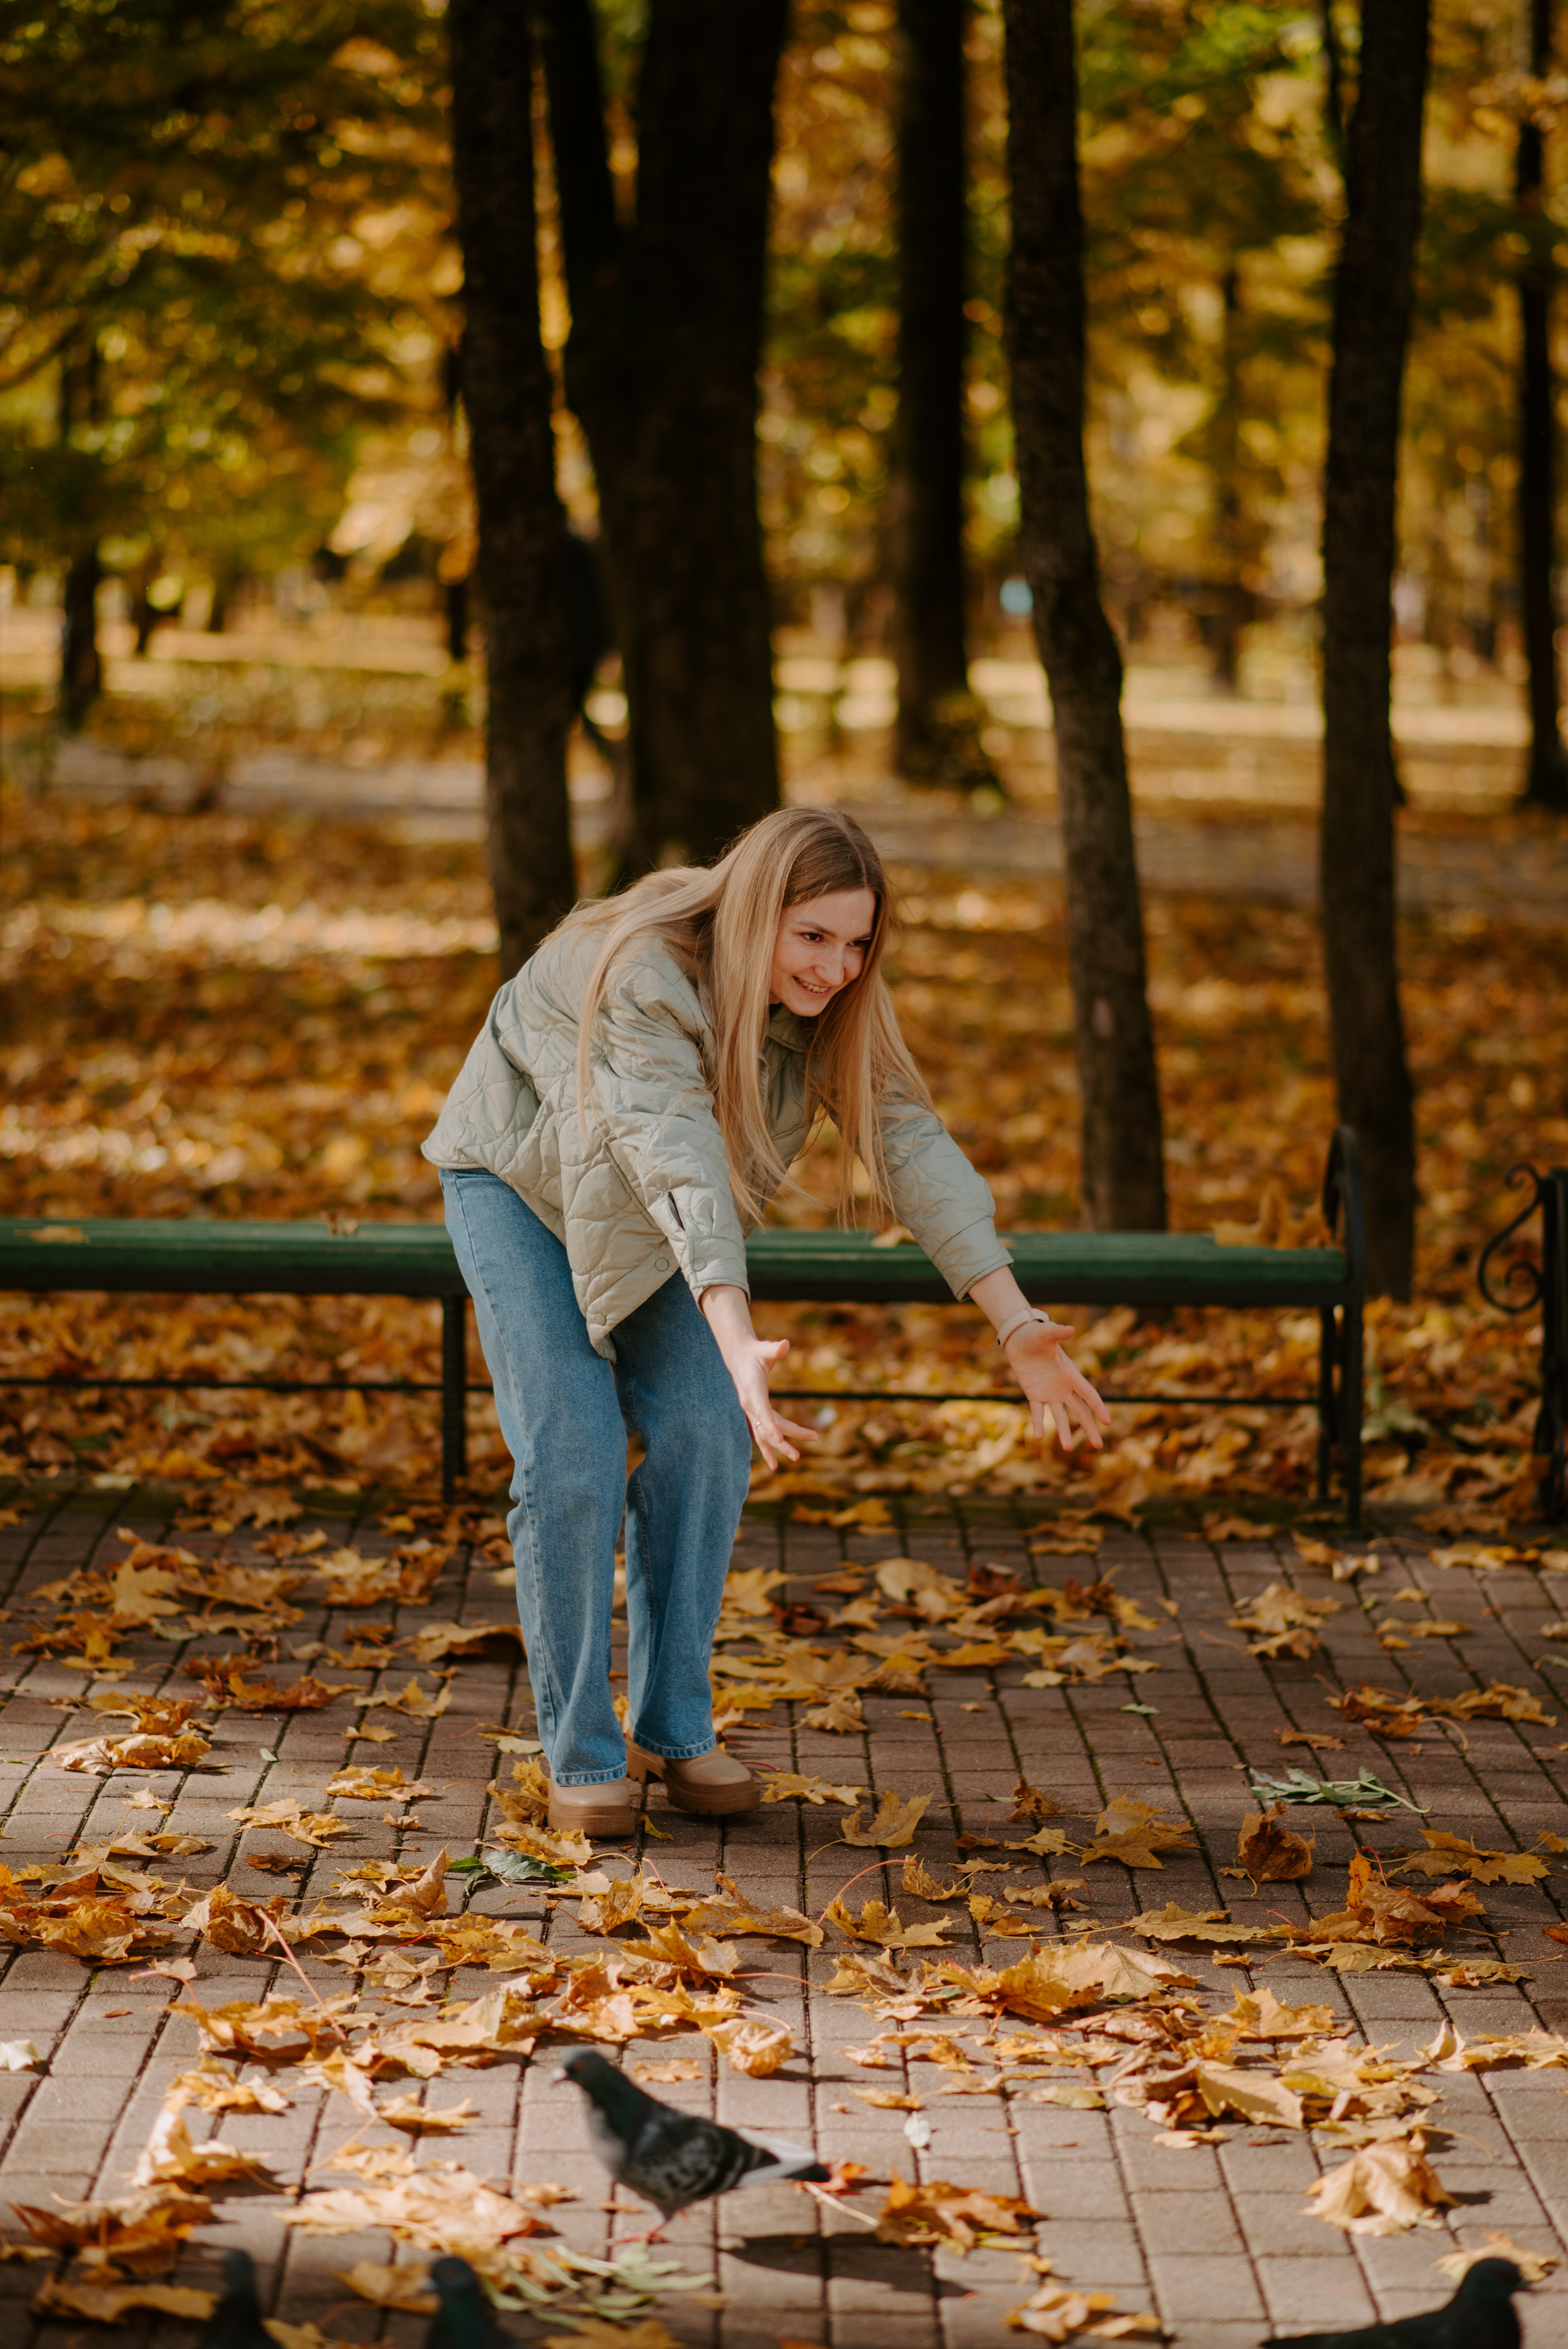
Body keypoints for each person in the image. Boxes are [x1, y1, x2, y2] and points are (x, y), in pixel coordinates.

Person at [424, 804, 1109, 1835]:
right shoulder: (647, 971)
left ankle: (675, 1728)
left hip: (650, 1212)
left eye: (857, 942)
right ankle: (584, 1751)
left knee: (708, 1431)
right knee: (573, 1451)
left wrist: (1017, 1326)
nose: (837, 966)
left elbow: (909, 1144)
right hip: (518, 1183)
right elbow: (676, 1153)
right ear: (756, 912)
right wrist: (735, 1334)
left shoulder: (833, 1002)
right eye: (814, 935)